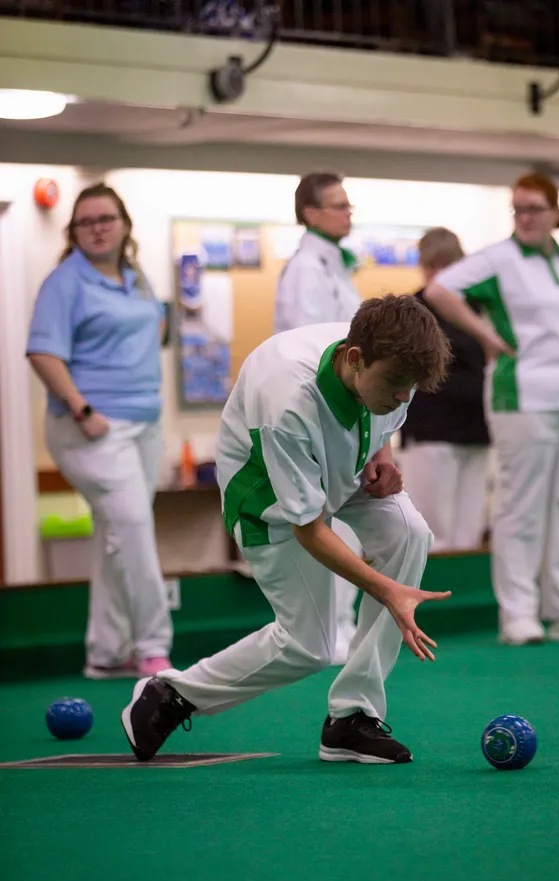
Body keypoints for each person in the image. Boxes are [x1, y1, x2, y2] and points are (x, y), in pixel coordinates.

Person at [121, 295, 452, 765]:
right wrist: (388, 591)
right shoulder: (290, 405)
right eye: (397, 385)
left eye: (412, 388)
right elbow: (310, 529)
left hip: (343, 467)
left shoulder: (392, 362)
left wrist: (383, 456)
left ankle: (352, 719)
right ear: (355, 360)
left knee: (410, 534)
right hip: (267, 497)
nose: (404, 396)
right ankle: (172, 694)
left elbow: (386, 416)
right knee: (308, 647)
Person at [424, 172, 559, 645]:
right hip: (521, 394)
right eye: (517, 209)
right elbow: (440, 291)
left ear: (555, 214)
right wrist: (486, 336)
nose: (524, 217)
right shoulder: (498, 260)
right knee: (520, 506)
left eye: (533, 209)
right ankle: (518, 613)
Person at [27, 182, 173, 679]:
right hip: (90, 427)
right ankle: (154, 648)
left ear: (124, 225)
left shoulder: (136, 277)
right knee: (132, 527)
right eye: (85, 222)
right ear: (73, 231)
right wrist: (82, 409)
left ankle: (108, 652)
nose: (96, 228)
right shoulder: (64, 281)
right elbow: (44, 352)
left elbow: (155, 328)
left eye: (105, 218)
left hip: (144, 424)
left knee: (117, 531)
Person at [274, 171, 363, 665]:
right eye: (338, 205)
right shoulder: (308, 267)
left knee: (343, 519)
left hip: (343, 409)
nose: (348, 213)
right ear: (310, 213)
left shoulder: (333, 264)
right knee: (324, 520)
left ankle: (340, 626)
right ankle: (329, 630)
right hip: (320, 408)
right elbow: (310, 342)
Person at [400, 228, 490, 552]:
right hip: (430, 430)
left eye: (445, 265)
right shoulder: (411, 310)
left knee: (470, 530)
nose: (437, 274)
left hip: (477, 428)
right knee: (431, 531)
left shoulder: (479, 307)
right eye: (430, 266)